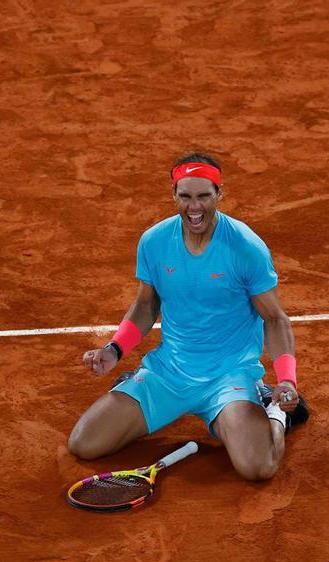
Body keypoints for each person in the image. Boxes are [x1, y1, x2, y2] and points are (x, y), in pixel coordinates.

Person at [67, 152, 309, 481]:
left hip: (229, 377)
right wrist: (114, 349)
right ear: (174, 195)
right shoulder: (153, 242)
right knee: (83, 443)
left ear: (219, 194)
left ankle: (273, 412)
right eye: (185, 197)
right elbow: (145, 306)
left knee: (259, 468)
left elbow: (275, 318)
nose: (194, 207)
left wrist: (285, 380)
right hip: (170, 371)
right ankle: (137, 391)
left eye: (203, 196)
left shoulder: (245, 248)